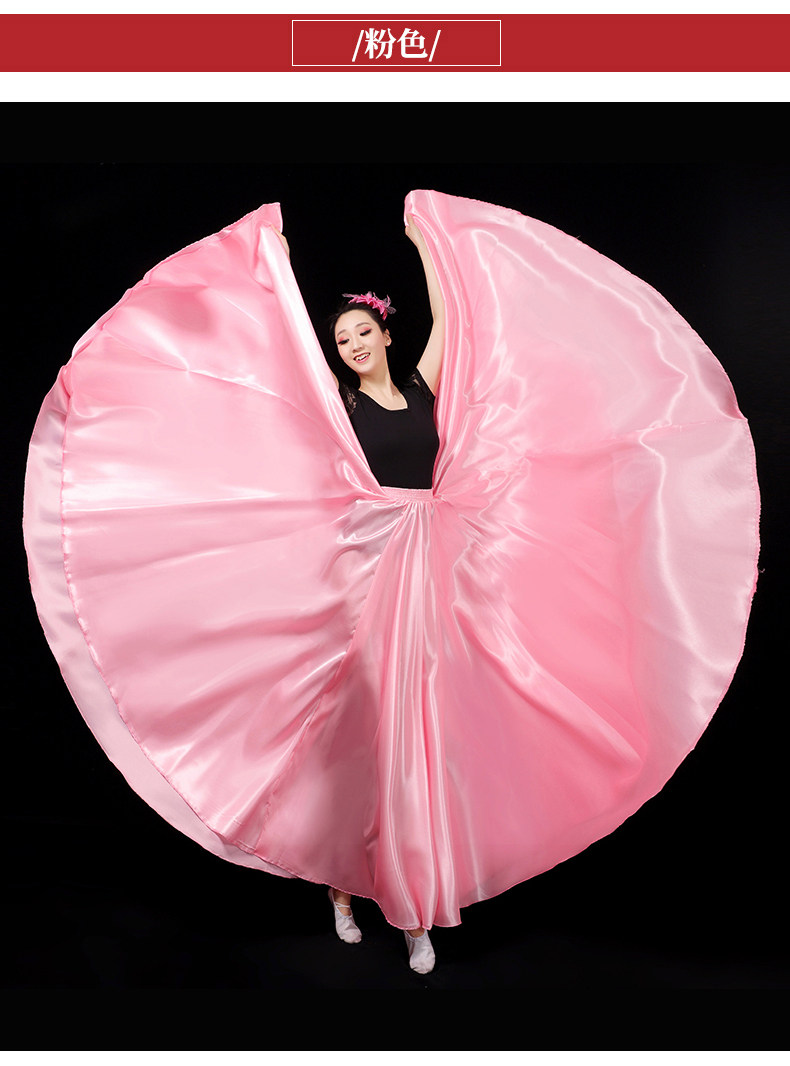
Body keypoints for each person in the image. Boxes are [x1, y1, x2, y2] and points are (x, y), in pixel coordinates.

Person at [276, 218, 445, 974]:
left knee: (421, 740)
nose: (351, 345)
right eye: (341, 339)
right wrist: (277, 266)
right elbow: (284, 350)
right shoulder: (340, 407)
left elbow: (448, 316)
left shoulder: (421, 388)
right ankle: (345, 889)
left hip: (430, 570)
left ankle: (412, 901)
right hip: (367, 573)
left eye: (361, 332)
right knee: (363, 738)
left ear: (383, 333)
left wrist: (427, 241)